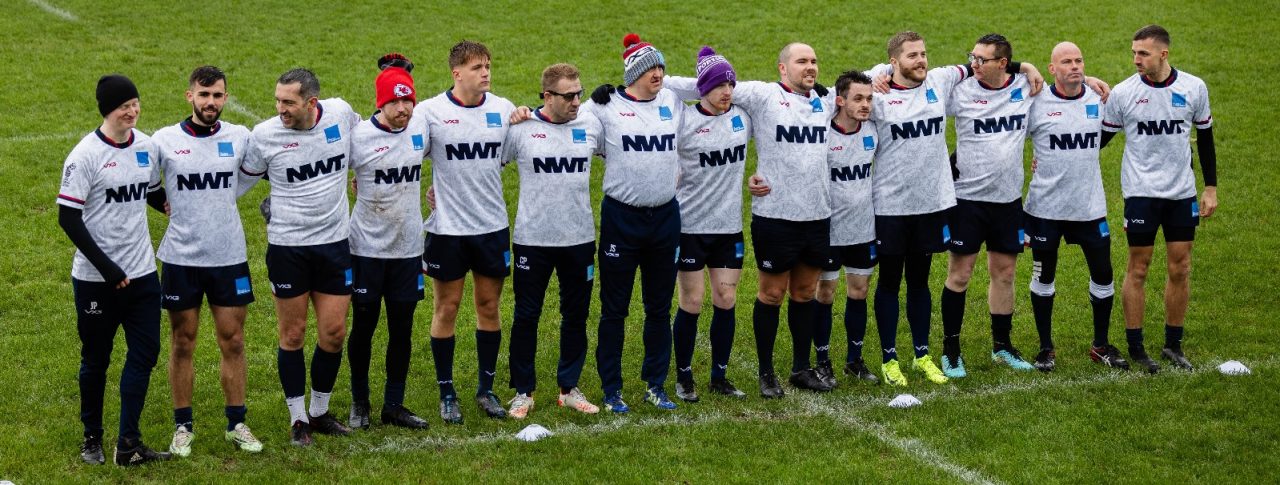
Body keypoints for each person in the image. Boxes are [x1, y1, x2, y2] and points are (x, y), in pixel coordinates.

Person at [865, 31, 1042, 385]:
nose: (921, 60)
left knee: (936, 280)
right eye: (912, 55)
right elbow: (848, 90)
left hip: (950, 203)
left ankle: (974, 349)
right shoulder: (890, 93)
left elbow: (1059, 90)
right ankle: (926, 354)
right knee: (917, 279)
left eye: (923, 53)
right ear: (896, 61)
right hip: (928, 203)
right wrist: (878, 74)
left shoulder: (944, 80)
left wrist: (1030, 66)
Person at [664, 42, 837, 397]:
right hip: (763, 219)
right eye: (801, 61)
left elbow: (862, 86)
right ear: (782, 68)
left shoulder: (821, 100)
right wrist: (623, 91)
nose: (810, 67)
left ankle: (796, 369)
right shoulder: (759, 96)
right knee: (751, 296)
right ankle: (756, 373)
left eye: (814, 61)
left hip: (811, 216)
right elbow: (692, 85)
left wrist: (884, 78)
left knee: (801, 292)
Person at [239, 68, 361, 446]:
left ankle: (320, 411)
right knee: (292, 334)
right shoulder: (264, 135)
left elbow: (372, 137)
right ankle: (298, 419)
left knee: (334, 333)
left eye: (288, 102)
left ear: (312, 102)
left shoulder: (341, 114)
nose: (280, 109)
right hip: (288, 248)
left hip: (335, 245)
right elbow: (241, 181)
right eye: (277, 100)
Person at [57, 74, 171, 465]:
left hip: (141, 274)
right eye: (124, 105)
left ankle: (129, 442)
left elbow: (152, 190)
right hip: (96, 281)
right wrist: (107, 269)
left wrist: (170, 206)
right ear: (108, 109)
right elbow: (68, 218)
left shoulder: (146, 146)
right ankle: (92, 438)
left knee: (145, 353)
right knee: (96, 359)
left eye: (136, 103)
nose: (132, 110)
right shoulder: (85, 155)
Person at [150, 65, 262, 456]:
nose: (210, 102)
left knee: (233, 340)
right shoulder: (163, 140)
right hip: (181, 258)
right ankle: (183, 426)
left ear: (225, 98)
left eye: (217, 95)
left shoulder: (241, 137)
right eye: (203, 94)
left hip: (228, 256)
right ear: (189, 96)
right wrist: (165, 204)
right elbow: (146, 184)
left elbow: (263, 170)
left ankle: (237, 423)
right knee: (183, 341)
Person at [1102, 24, 1217, 373]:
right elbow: (1098, 140)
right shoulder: (1123, 93)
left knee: (1180, 267)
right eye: (1134, 52)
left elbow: (1206, 137)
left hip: (1181, 194)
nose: (1136, 59)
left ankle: (1173, 344)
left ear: (1163, 54)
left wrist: (1210, 187)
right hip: (1140, 194)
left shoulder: (1193, 87)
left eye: (1143, 53)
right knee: (1138, 267)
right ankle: (1136, 346)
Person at [413, 40, 517, 422]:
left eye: (488, 65)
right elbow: (405, 154)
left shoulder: (503, 110)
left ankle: (486, 391)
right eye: (477, 67)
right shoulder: (430, 112)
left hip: (490, 227)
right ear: (456, 73)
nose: (485, 72)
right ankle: (447, 393)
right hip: (447, 231)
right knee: (448, 307)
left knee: (488, 307)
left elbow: (508, 156)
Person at [582, 33, 684, 411]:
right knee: (615, 309)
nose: (658, 73)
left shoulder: (672, 101)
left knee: (659, 308)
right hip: (621, 219)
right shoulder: (603, 108)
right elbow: (563, 124)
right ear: (633, 73)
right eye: (650, 68)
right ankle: (612, 389)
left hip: (665, 218)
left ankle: (656, 384)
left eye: (660, 66)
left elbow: (704, 87)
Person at [504, 63, 604, 419]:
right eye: (568, 95)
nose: (577, 100)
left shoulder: (590, 125)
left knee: (575, 315)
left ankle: (569, 387)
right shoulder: (521, 129)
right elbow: (486, 167)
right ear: (547, 96)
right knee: (527, 316)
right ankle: (523, 392)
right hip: (533, 240)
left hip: (579, 239)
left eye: (579, 93)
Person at [1023, 42, 1129, 372]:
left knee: (1103, 274)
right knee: (1044, 276)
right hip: (1045, 210)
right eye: (1066, 62)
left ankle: (1100, 345)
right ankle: (1045, 348)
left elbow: (1104, 137)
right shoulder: (1035, 102)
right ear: (1052, 69)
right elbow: (1009, 140)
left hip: (1089, 208)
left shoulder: (1099, 99)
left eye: (1079, 60)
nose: (1075, 66)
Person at [937, 34, 1039, 377]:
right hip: (966, 200)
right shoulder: (961, 90)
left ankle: (1002, 346)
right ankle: (951, 350)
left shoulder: (1025, 86)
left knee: (1005, 273)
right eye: (972, 58)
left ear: (1002, 63)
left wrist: (1090, 81)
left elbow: (1065, 88)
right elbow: (921, 90)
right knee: (960, 275)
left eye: (981, 59)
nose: (973, 64)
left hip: (1008, 202)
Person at [345, 54, 430, 430]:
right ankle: (359, 401)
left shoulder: (421, 129)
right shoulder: (358, 136)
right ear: (380, 103)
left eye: (407, 100)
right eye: (394, 102)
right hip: (365, 248)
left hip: (408, 248)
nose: (402, 108)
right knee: (363, 325)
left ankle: (394, 404)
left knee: (402, 327)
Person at [670, 46, 751, 402]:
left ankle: (720, 375)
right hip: (689, 228)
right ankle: (684, 377)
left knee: (726, 297)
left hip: (728, 227)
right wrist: (702, 81)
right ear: (702, 88)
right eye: (719, 86)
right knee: (692, 301)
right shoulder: (684, 119)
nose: (727, 92)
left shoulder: (743, 117)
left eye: (731, 84)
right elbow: (666, 88)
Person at [812, 69, 881, 387]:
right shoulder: (822, 135)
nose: (865, 104)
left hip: (863, 228)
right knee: (825, 293)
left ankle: (854, 359)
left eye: (868, 98)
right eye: (858, 98)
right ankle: (822, 361)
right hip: (828, 230)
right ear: (839, 101)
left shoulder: (873, 132)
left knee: (859, 291)